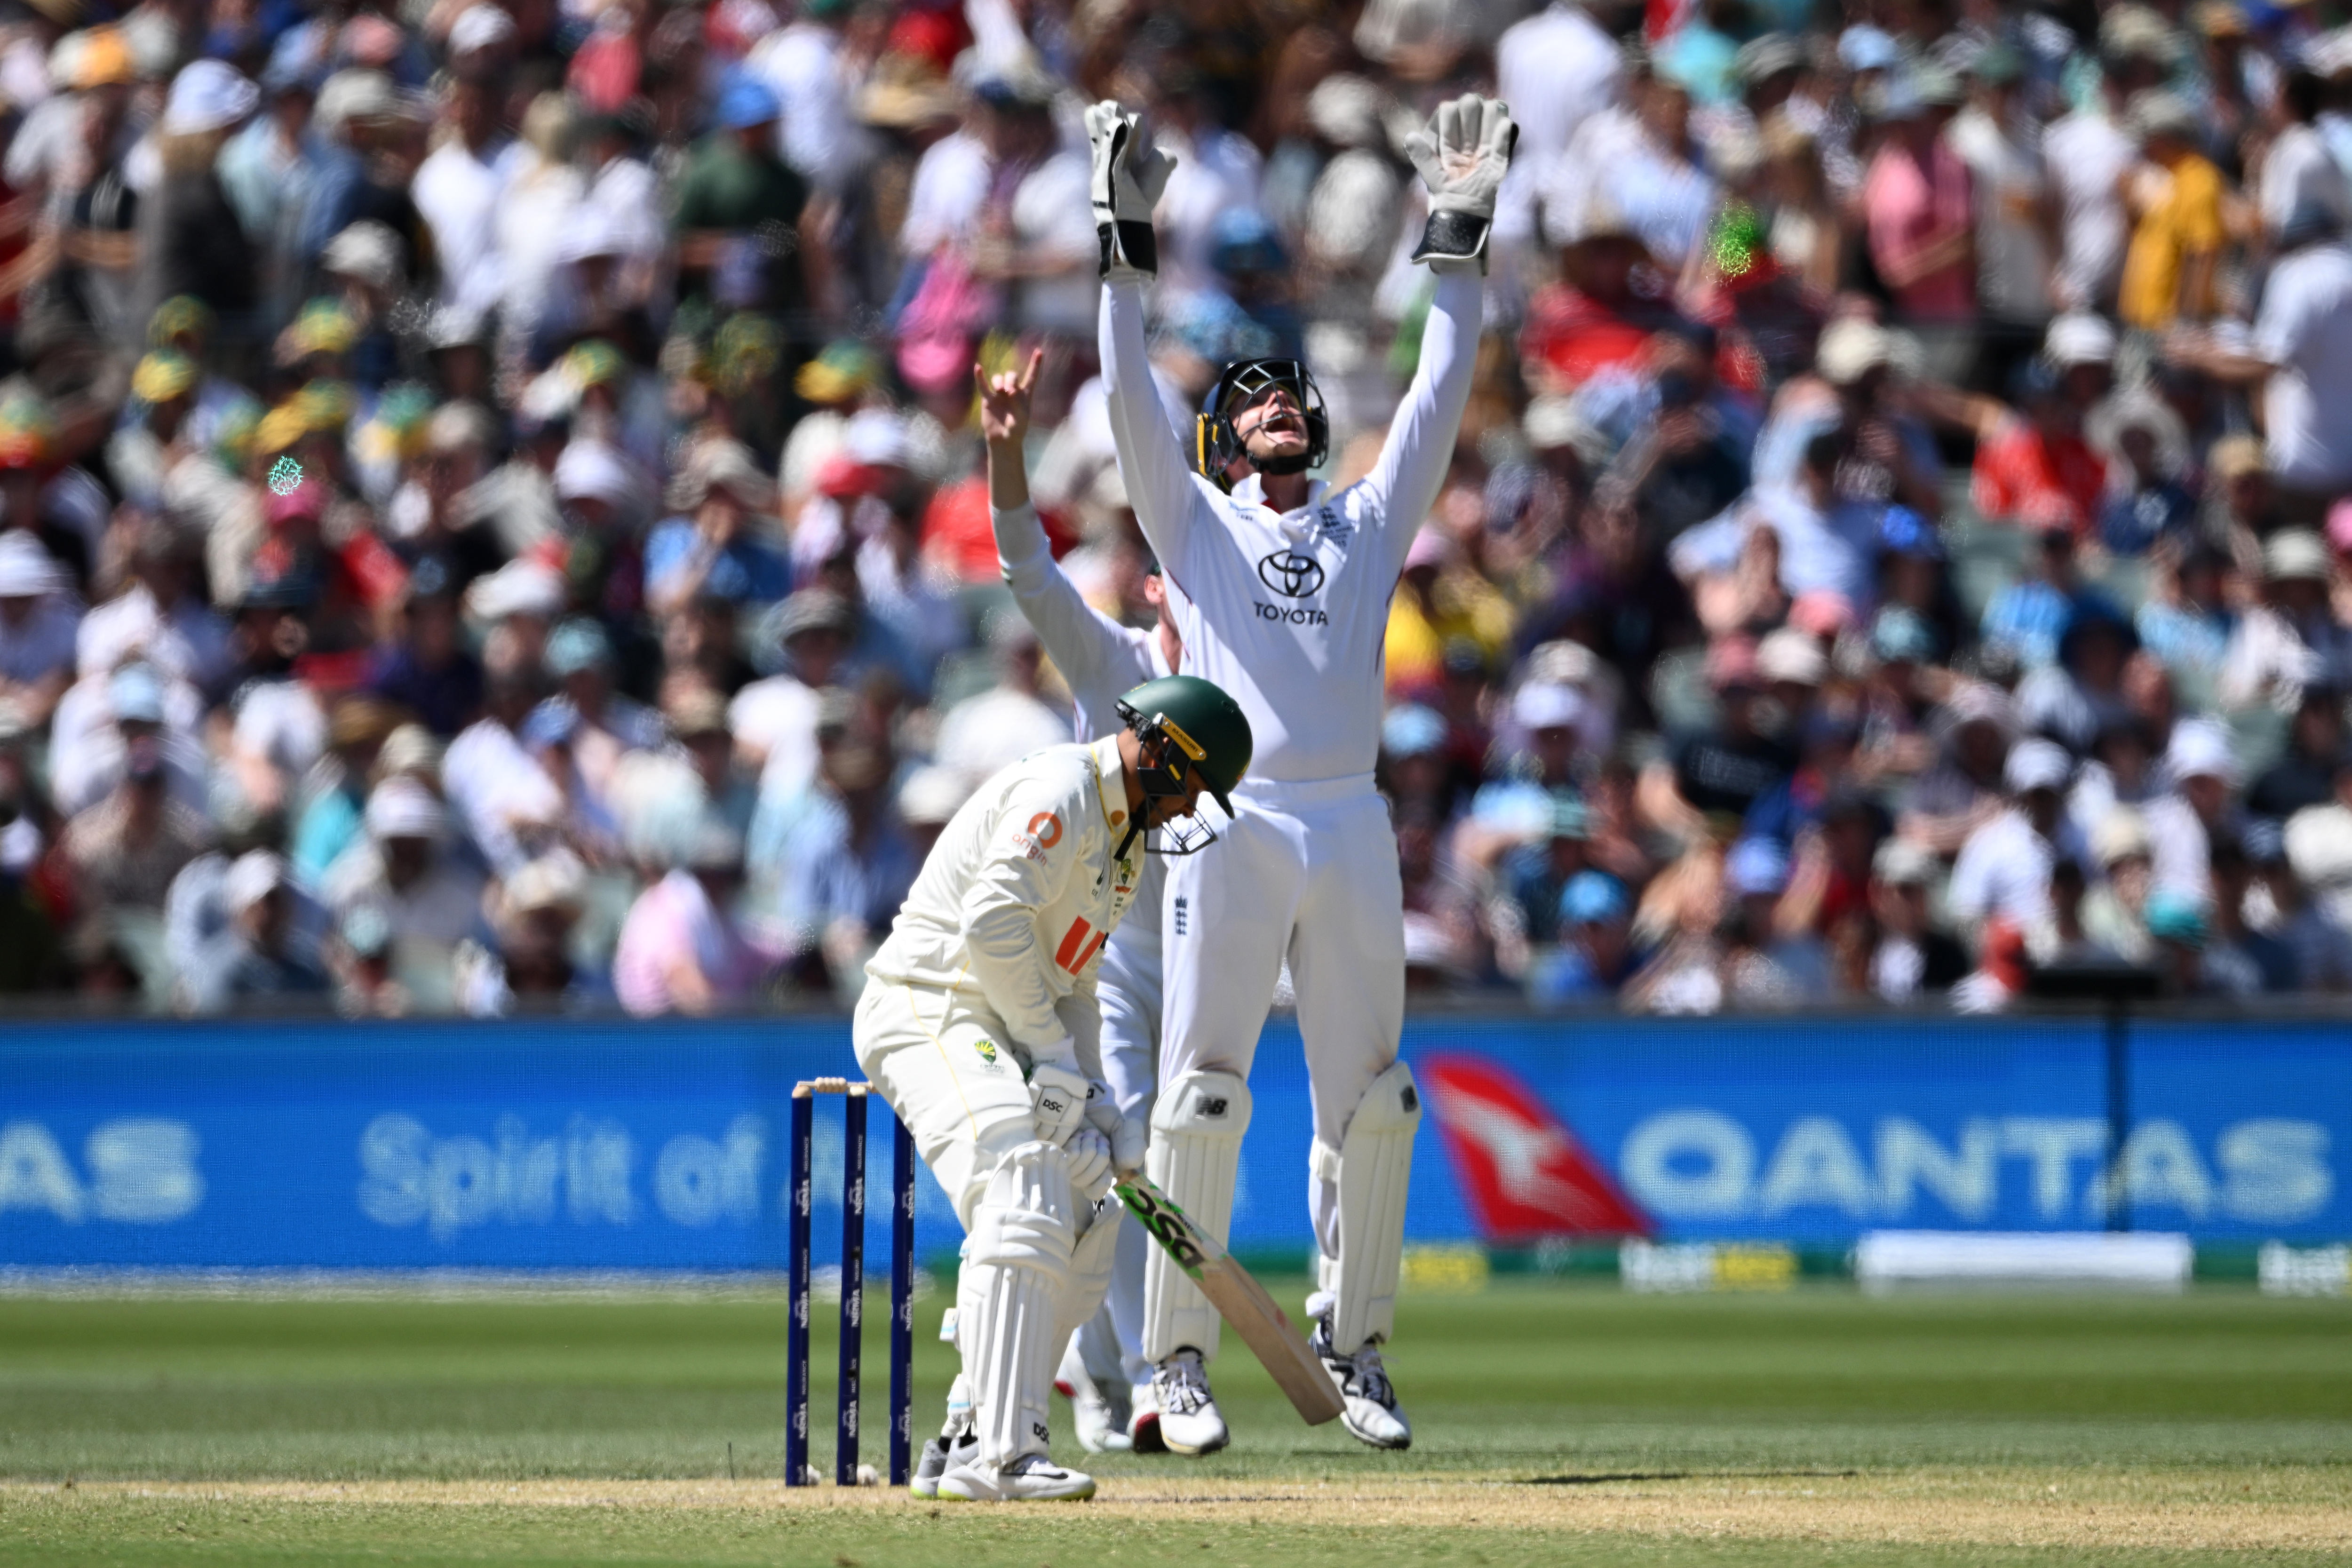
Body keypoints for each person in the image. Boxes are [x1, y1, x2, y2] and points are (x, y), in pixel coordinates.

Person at [1090, 92, 1512, 1453]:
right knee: (1203, 1091)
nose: (1275, 406)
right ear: (1220, 443)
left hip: (1350, 821)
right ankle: (1175, 1364)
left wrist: (1457, 230)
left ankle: (1360, 1344)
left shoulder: (1367, 523)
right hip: (1232, 822)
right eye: (1249, 399)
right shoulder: (1192, 526)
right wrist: (1124, 237)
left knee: (1375, 1096)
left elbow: (1441, 391)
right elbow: (1128, 395)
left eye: (1289, 396)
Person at [856, 673, 1251, 1503]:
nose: (1189, 811)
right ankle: (1000, 1458)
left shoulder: (1126, 845)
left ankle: (968, 1424)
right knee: (1024, 1179)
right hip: (931, 1003)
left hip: (1000, 1021)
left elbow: (1075, 987)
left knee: (1086, 1210)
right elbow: (992, 925)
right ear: (1166, 753)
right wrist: (1046, 1054)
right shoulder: (1062, 789)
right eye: (1196, 790)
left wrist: (1101, 1099)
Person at [978, 350, 1181, 1455]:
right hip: (1096, 941)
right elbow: (1023, 566)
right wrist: (1006, 448)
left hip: (1205, 940)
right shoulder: (1113, 656)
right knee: (1119, 1147)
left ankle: (1110, 1375)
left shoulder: (1256, 676)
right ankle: (1141, 1377)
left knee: (1158, 1150)